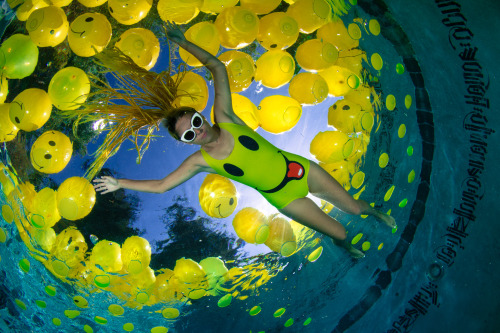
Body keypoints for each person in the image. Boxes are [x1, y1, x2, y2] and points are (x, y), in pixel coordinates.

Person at [93, 22, 396, 258]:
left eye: (195, 122)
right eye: (188, 134)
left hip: (300, 169)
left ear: (202, 115)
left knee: (355, 209)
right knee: (341, 233)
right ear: (186, 142)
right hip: (284, 198)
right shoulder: (201, 161)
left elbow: (217, 67)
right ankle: (348, 250)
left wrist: (184, 43)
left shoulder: (225, 117)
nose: (196, 131)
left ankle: (375, 212)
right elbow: (160, 186)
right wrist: (121, 183)